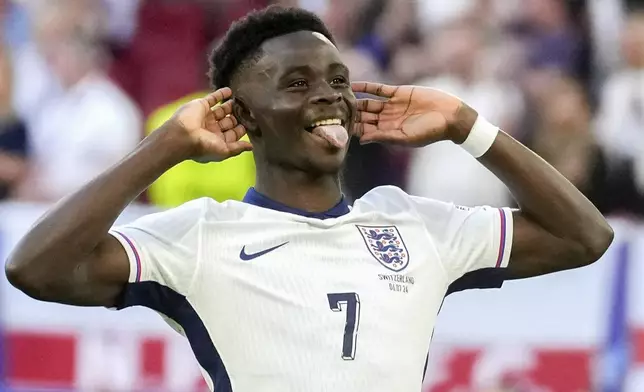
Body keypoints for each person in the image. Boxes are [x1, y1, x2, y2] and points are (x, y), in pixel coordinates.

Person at [5, 6, 613, 392]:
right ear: (242, 115)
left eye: (339, 81)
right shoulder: (196, 237)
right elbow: (34, 267)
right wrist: (160, 150)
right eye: (297, 84)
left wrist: (466, 126)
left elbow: (584, 236)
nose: (329, 96)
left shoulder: (413, 224)